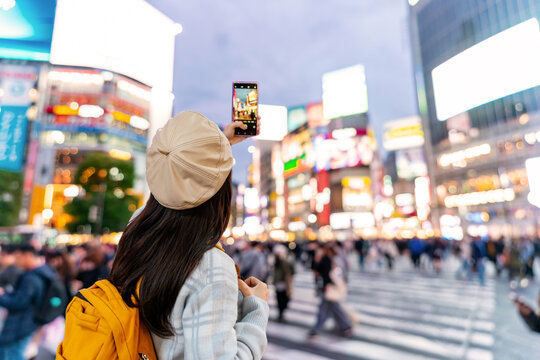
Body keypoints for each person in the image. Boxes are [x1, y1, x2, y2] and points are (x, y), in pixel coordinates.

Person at [108, 111, 269, 359]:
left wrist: (216, 146)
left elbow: (177, 177)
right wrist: (257, 311)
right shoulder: (211, 267)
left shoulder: (138, 227)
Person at [0, 245, 57, 360]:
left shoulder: (32, 278)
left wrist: (1, 296)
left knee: (12, 354)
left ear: (28, 256)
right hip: (26, 324)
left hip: (19, 325)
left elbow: (18, 302)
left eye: (18, 257)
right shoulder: (41, 273)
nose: (16, 261)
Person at [309, 245, 352, 338]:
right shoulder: (325, 259)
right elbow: (316, 270)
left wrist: (327, 285)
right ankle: (346, 327)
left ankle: (316, 330)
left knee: (326, 310)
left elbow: (326, 275)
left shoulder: (329, 260)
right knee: (334, 310)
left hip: (329, 289)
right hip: (328, 289)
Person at [272, 245, 294, 322]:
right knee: (282, 299)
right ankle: (281, 313)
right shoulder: (280, 262)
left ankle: (281, 313)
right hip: (281, 283)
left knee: (281, 299)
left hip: (282, 283)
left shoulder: (281, 262)